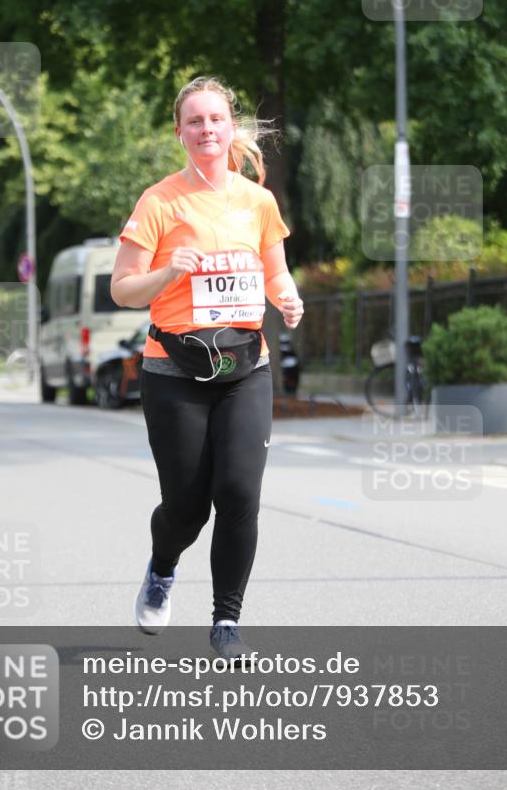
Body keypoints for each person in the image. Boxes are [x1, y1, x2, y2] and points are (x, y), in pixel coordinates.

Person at [111, 76, 304, 661]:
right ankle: (163, 565)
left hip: (247, 366)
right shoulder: (160, 201)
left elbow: (275, 271)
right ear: (180, 133)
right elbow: (122, 289)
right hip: (175, 369)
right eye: (194, 122)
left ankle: (226, 622)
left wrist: (288, 297)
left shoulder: (258, 201)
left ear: (231, 128)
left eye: (216, 119)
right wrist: (169, 273)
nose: (206, 130)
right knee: (187, 505)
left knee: (239, 490)